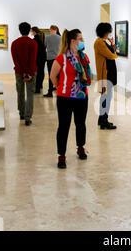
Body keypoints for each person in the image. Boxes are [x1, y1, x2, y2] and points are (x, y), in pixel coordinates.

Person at [50, 29, 91, 169]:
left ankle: (80, 147)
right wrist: (60, 88)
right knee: (64, 126)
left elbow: (87, 74)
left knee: (81, 124)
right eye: (80, 38)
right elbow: (52, 76)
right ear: (73, 41)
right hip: (65, 98)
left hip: (82, 96)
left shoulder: (84, 57)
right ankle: (61, 155)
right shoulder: (61, 58)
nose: (82, 41)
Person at [11, 22, 38, 126]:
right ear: (29, 30)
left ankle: (21, 113)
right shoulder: (33, 43)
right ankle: (28, 117)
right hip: (31, 72)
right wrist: (29, 73)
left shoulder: (14, 43)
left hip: (18, 71)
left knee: (20, 92)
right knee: (30, 94)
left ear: (20, 30)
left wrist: (22, 71)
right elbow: (32, 60)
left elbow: (15, 60)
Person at [94, 23, 118, 130]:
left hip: (109, 73)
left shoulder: (103, 42)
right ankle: (104, 121)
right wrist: (115, 53)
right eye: (108, 31)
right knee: (106, 97)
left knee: (107, 97)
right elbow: (111, 55)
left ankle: (102, 119)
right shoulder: (99, 42)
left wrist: (113, 46)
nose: (109, 33)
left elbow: (111, 52)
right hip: (106, 74)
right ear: (105, 31)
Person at [44, 25, 61, 97]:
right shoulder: (60, 38)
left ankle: (50, 92)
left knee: (51, 75)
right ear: (56, 30)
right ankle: (59, 90)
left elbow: (45, 46)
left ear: (51, 29)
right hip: (58, 58)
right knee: (59, 75)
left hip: (50, 58)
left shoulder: (47, 37)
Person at [31, 27, 47, 94]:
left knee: (38, 73)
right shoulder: (41, 37)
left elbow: (35, 51)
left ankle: (37, 89)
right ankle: (40, 86)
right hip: (43, 58)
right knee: (41, 72)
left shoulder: (35, 39)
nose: (31, 32)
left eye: (31, 31)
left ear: (34, 31)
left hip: (38, 58)